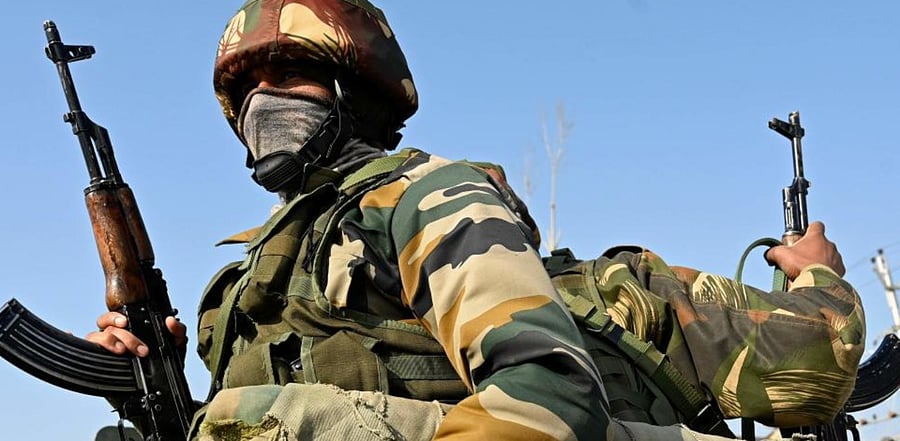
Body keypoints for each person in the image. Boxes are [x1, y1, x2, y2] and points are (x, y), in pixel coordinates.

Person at [86, 1, 864, 440]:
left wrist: (819, 272)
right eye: (247, 86)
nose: (262, 102)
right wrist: (162, 398)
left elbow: (548, 401)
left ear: (356, 90)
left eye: (288, 74)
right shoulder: (257, 273)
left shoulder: (422, 197)